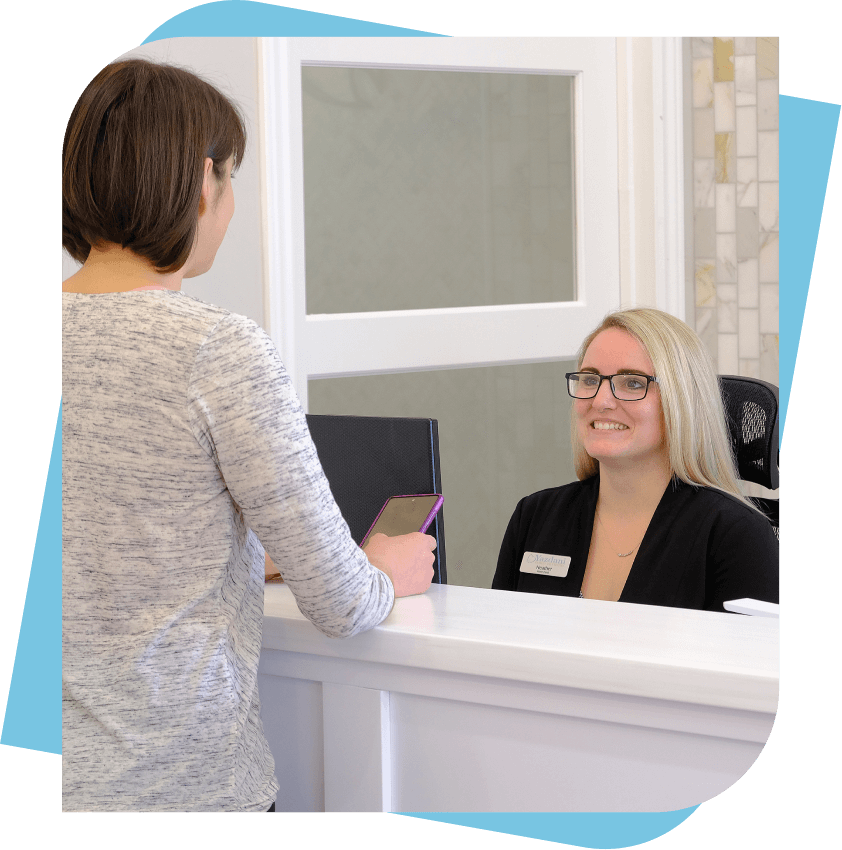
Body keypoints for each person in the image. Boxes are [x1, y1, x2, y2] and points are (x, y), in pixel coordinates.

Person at [62, 58, 435, 813]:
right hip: (178, 783)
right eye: (231, 178)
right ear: (204, 182)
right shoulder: (214, 348)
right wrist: (384, 568)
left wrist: (231, 554)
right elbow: (342, 602)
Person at [492, 307, 779, 612]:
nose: (600, 401)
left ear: (681, 402)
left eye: (632, 383)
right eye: (590, 380)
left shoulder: (737, 536)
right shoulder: (535, 516)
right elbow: (495, 646)